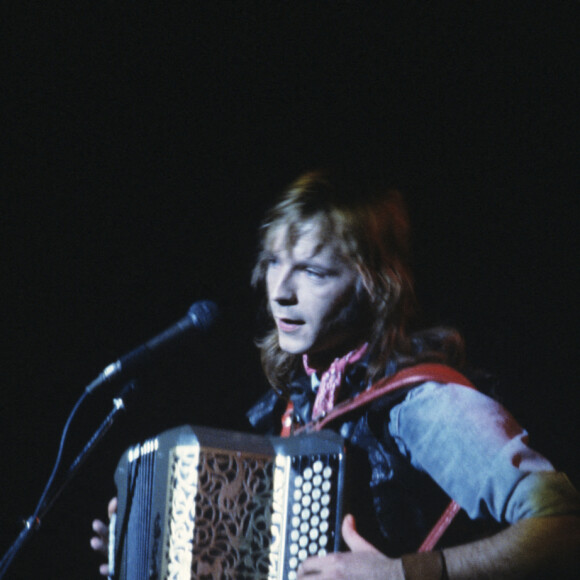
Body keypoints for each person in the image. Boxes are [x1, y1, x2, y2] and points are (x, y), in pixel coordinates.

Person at [92, 169, 580, 578]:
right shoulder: (293, 407)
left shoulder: (423, 404)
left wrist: (403, 573)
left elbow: (564, 527)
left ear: (376, 287)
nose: (280, 290)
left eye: (315, 272)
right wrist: (150, 539)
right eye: (273, 263)